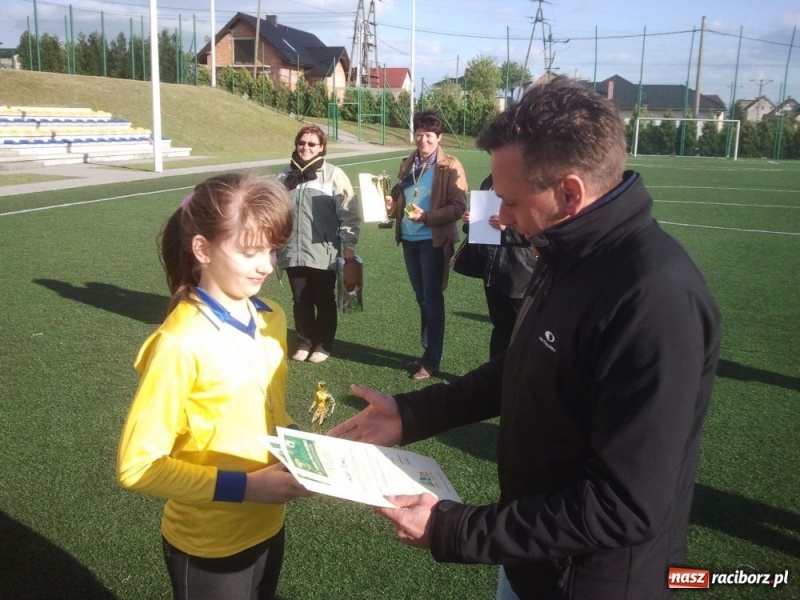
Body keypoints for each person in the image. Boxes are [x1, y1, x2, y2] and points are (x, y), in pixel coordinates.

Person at [332, 77, 721, 599]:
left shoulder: (654, 299)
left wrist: (452, 529)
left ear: (569, 193)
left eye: (510, 201)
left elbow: (623, 508)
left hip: (591, 583)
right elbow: (523, 365)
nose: (501, 218)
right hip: (532, 559)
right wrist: (412, 414)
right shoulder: (567, 251)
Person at [117, 173, 312, 600]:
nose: (266, 265)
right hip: (208, 544)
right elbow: (138, 466)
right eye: (249, 251)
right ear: (202, 248)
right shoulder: (180, 344)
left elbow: (266, 408)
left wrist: (303, 445)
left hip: (268, 524)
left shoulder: (272, 317)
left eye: (273, 250)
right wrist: (249, 487)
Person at [385, 108, 467, 380]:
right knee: (422, 298)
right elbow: (403, 198)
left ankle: (431, 361)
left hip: (433, 241)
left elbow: (458, 206)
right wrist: (391, 205)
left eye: (429, 135)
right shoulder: (409, 163)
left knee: (432, 300)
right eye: (419, 134)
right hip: (409, 239)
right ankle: (427, 352)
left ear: (439, 137)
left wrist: (428, 217)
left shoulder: (450, 165)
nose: (423, 140)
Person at [278, 124, 361, 364]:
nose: (305, 147)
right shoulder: (284, 175)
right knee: (300, 299)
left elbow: (349, 212)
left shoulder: (334, 174)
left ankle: (323, 344)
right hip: (292, 250)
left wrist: (348, 244)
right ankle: (304, 342)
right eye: (301, 143)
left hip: (323, 252)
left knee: (323, 300)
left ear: (322, 147)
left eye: (311, 144)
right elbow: (273, 211)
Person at [459, 174, 538, 358]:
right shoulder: (489, 180)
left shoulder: (531, 180)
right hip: (493, 267)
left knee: (520, 332)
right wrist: (471, 220)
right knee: (501, 328)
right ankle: (495, 381)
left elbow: (542, 226)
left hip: (518, 270)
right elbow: (484, 221)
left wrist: (508, 229)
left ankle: (517, 382)